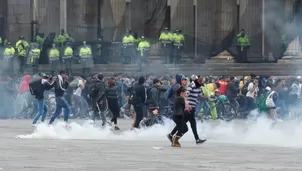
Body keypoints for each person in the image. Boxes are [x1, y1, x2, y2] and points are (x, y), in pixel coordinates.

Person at [168, 75, 207, 144]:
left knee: (184, 123)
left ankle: (171, 135)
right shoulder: (191, 86)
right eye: (201, 83)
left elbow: (200, 94)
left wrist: (207, 97)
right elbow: (186, 95)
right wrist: (186, 104)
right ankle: (196, 139)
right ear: (198, 81)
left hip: (192, 107)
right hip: (188, 108)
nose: (201, 84)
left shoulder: (199, 87)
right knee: (191, 123)